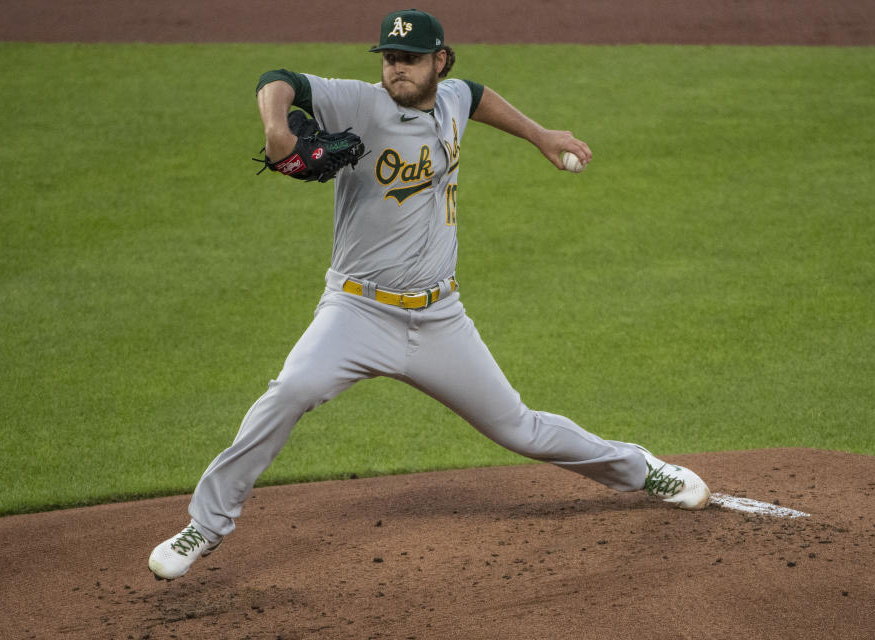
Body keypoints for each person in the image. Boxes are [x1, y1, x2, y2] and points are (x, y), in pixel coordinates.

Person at [149, 8, 710, 581]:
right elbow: (278, 78)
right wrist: (275, 129)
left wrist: (540, 135)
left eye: (411, 59)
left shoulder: (451, 100)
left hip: (440, 317)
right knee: (289, 390)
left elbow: (477, 95)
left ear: (439, 61)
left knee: (519, 427)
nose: (397, 70)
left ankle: (641, 469)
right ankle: (206, 524)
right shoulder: (360, 102)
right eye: (391, 58)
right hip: (357, 311)